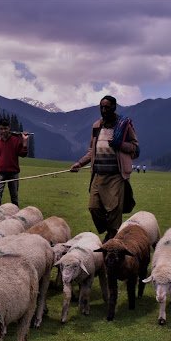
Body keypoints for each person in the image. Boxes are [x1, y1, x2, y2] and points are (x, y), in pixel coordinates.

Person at [70, 95, 139, 241]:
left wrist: (120, 144)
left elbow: (135, 148)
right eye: (101, 107)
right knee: (93, 207)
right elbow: (92, 150)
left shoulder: (124, 125)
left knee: (114, 209)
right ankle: (110, 231)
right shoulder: (97, 126)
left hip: (115, 175)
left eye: (107, 107)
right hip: (98, 174)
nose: (104, 110)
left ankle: (113, 236)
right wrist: (80, 163)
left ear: (114, 107)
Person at [0, 118, 29, 206]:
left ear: (9, 128)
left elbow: (23, 154)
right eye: (1, 129)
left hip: (13, 172)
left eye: (5, 128)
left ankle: (15, 216)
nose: (3, 131)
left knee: (14, 198)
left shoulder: (15, 140)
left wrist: (25, 141)